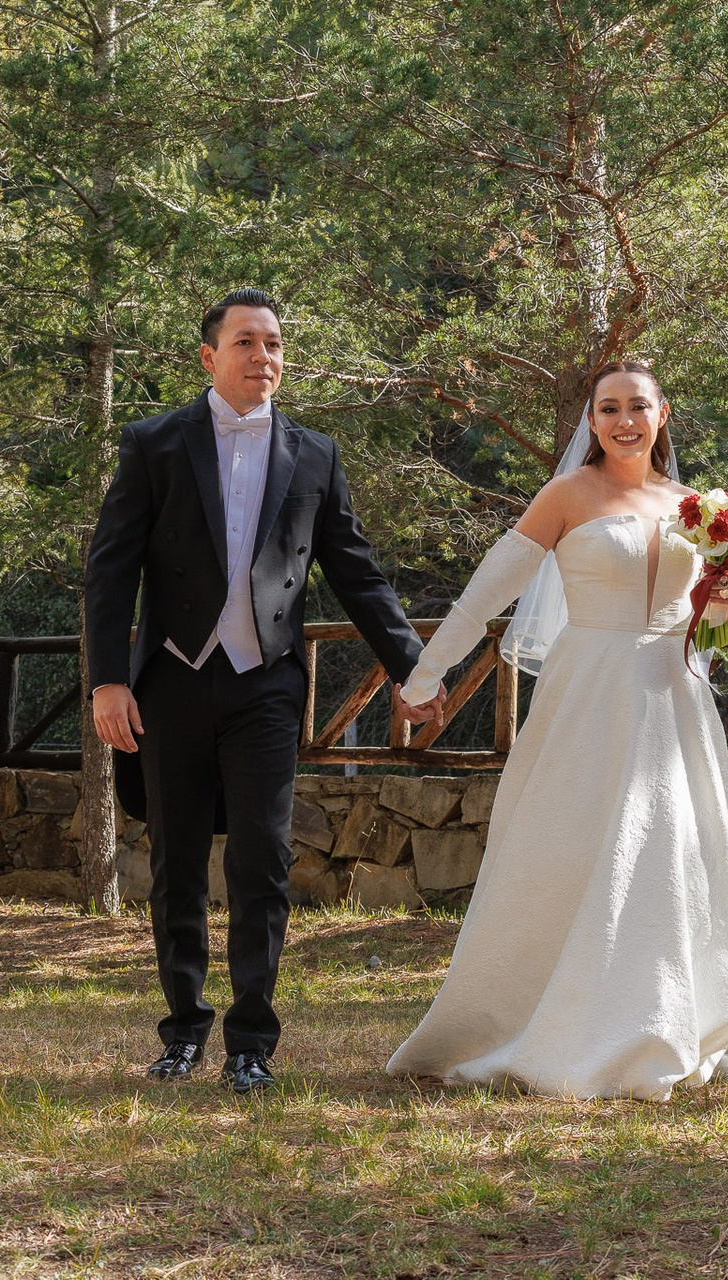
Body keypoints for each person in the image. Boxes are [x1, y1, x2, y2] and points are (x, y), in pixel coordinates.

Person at [387, 361, 728, 1100]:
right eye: (608, 408)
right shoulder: (566, 495)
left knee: (671, 848)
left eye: (637, 406)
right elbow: (486, 593)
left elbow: (708, 627)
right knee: (573, 846)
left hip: (674, 694)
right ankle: (554, 1018)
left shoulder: (694, 508)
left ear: (662, 413)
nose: (623, 421)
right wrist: (424, 677)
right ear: (592, 420)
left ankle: (670, 1015)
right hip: (588, 692)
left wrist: (726, 599)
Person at [86, 289, 445, 1094]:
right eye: (246, 342)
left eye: (274, 343)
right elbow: (110, 570)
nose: (264, 356)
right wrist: (108, 680)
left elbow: (357, 573)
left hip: (267, 685)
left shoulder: (314, 453)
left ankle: (251, 1043)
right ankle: (183, 1031)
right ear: (208, 356)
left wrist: (413, 668)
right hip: (170, 682)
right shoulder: (153, 443)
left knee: (263, 861)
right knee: (177, 863)